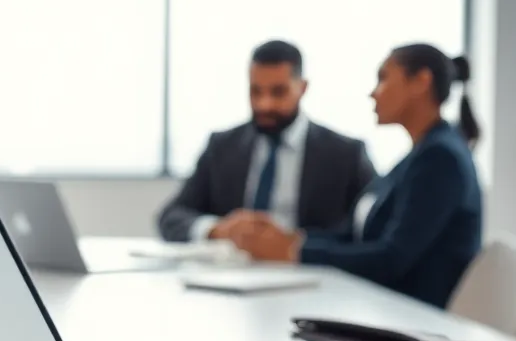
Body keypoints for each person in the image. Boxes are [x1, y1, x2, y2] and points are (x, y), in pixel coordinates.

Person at [233, 44, 482, 309]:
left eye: (383, 79)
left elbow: (391, 259)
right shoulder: (417, 156)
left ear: (420, 82)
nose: (373, 93)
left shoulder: (440, 158)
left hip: (411, 318)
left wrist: (294, 252)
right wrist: (292, 239)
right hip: (381, 304)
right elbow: (356, 237)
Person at [156, 40, 377, 243]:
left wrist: (298, 242)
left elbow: (373, 221)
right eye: (255, 92)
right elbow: (172, 215)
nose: (264, 105)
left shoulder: (346, 154)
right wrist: (217, 229)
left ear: (302, 88)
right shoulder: (222, 147)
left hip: (314, 274)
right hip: (232, 271)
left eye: (278, 92)